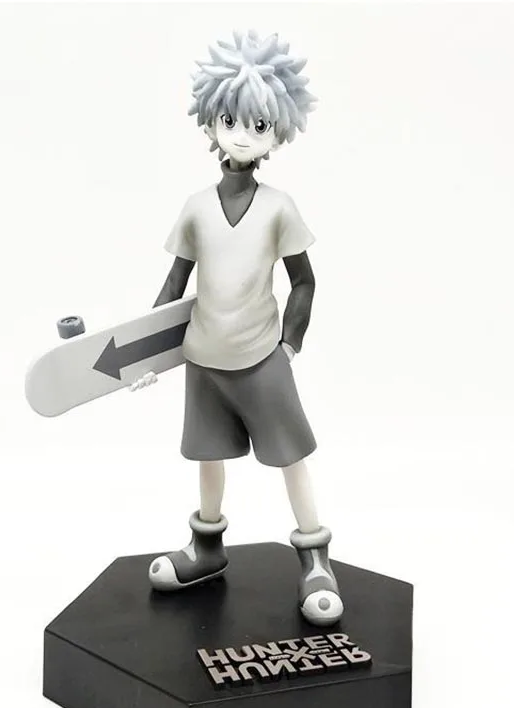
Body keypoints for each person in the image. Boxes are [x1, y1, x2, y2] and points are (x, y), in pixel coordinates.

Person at [135, 30, 342, 626]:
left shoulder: (279, 207)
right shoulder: (196, 207)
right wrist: (146, 355)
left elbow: (304, 281)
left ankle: (315, 557)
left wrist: (289, 345)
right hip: (203, 359)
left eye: (258, 124)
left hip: (261, 359)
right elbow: (174, 284)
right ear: (210, 121)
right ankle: (206, 546)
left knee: (291, 457)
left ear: (278, 131)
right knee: (208, 456)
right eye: (230, 120)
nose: (243, 135)